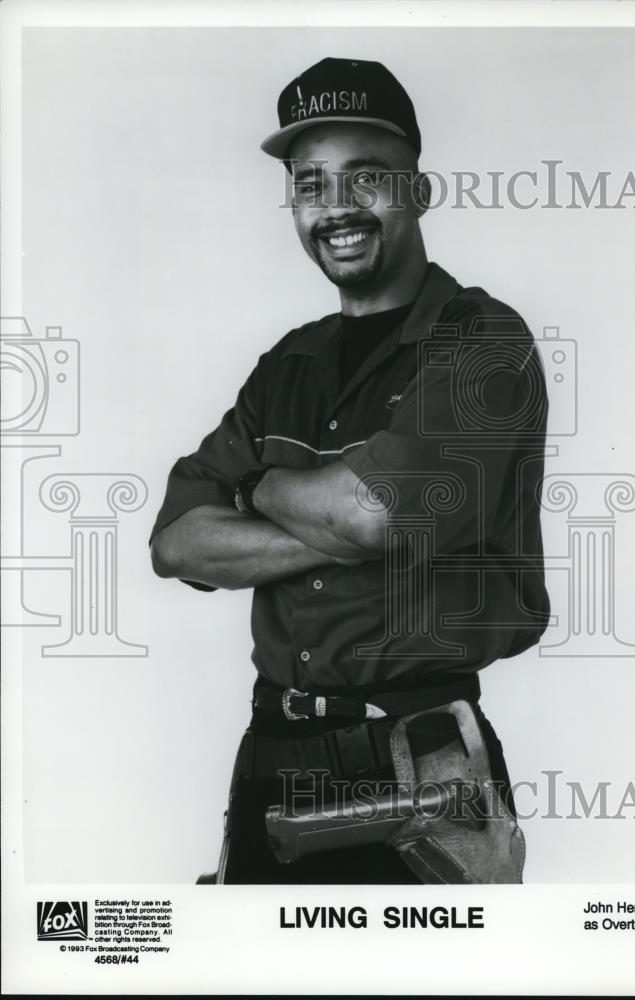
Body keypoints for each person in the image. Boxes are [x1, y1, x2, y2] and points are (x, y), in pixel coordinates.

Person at [150, 57, 550, 884]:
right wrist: (335, 517)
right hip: (273, 755)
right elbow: (178, 544)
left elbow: (373, 517)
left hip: (424, 759)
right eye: (310, 184)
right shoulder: (286, 368)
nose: (335, 207)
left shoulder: (482, 345)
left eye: (366, 177)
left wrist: (258, 487)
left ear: (419, 190)